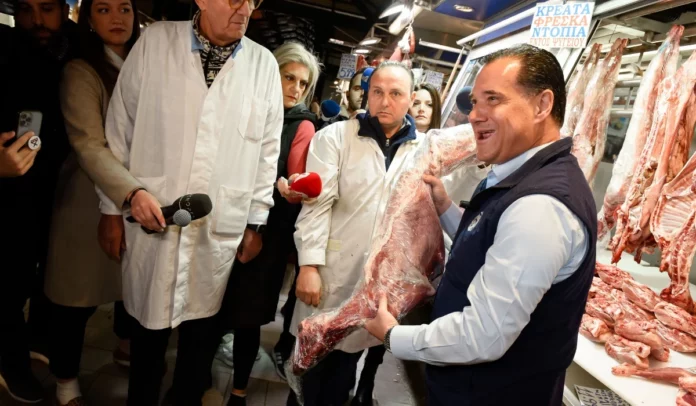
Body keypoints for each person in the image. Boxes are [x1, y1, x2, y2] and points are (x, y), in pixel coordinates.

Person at [365, 44, 596, 406]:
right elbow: (493, 241)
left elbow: (484, 335)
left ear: (542, 105)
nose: (474, 115)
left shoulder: (540, 206)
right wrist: (445, 207)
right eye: (474, 103)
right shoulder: (519, 177)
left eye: (493, 100)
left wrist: (395, 337)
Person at [97, 0, 283, 403]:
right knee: (147, 341)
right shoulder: (155, 43)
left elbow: (267, 151)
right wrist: (110, 208)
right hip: (153, 215)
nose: (244, 8)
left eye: (252, 0)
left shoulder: (263, 65)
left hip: (218, 227)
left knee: (200, 344)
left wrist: (256, 221)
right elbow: (119, 129)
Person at [287, 60, 421, 406]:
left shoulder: (421, 151)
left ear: (411, 98)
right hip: (329, 273)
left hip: (375, 286)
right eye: (377, 92)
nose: (385, 101)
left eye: (396, 94)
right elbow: (316, 205)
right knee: (308, 372)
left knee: (344, 373)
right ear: (366, 94)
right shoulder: (335, 137)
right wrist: (309, 265)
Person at [43, 0, 141, 404]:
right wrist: (128, 195)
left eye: (124, 8)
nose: (117, 18)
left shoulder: (142, 65)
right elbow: (88, 144)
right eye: (103, 9)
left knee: (130, 287)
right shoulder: (81, 71)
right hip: (86, 197)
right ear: (87, 19)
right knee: (75, 297)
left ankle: (125, 346)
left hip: (134, 196)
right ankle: (65, 382)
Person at [213, 41, 321, 406]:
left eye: (303, 83)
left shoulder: (302, 124)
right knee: (212, 308)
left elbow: (297, 178)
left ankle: (239, 393)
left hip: (269, 234)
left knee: (247, 316)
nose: (295, 88)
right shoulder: (248, 108)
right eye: (288, 77)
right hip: (226, 220)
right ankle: (200, 379)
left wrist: (289, 187)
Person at [0, 0, 77, 402]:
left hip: (62, 186)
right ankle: (10, 364)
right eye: (26, 9)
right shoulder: (6, 48)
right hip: (11, 189)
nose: (36, 20)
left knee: (51, 271)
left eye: (46, 8)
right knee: (10, 283)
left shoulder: (78, 48)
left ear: (63, 10)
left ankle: (37, 341)